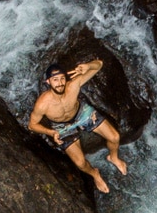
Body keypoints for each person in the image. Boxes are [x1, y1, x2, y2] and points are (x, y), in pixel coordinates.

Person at [27, 60, 130, 193]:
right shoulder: (42, 104)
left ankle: (113, 157)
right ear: (48, 82)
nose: (60, 83)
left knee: (114, 137)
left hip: (81, 113)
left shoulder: (73, 85)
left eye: (62, 78)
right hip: (62, 127)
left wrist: (88, 66)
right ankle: (94, 174)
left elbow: (99, 65)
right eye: (55, 80)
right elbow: (32, 125)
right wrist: (51, 132)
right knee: (80, 163)